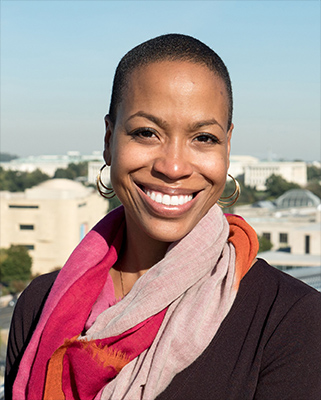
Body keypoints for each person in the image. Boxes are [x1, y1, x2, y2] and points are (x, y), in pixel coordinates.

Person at [5, 34, 321, 400]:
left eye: (203, 138)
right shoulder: (40, 306)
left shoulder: (290, 321)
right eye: (146, 133)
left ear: (228, 147)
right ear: (109, 140)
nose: (173, 167)